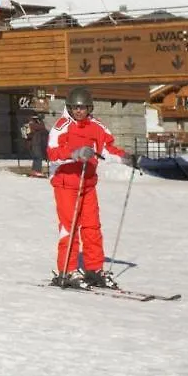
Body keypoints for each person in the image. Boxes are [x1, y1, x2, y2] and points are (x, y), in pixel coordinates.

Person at [48, 87, 136, 289]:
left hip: (87, 183)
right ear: (69, 107)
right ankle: (67, 271)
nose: (79, 111)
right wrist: (75, 153)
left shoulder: (97, 126)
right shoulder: (62, 126)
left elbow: (107, 149)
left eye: (83, 107)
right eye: (75, 107)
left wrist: (126, 158)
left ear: (89, 108)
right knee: (69, 228)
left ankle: (93, 269)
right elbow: (52, 153)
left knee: (92, 226)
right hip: (66, 182)